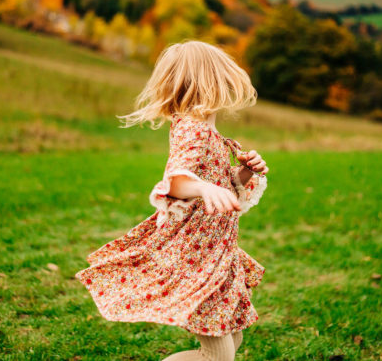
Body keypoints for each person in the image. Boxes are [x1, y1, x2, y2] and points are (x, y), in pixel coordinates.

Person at [75, 40, 269, 361]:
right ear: (210, 83)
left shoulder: (210, 135)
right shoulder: (193, 130)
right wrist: (203, 189)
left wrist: (243, 174)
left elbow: (221, 184)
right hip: (197, 260)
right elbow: (177, 182)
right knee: (218, 357)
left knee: (232, 342)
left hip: (215, 254)